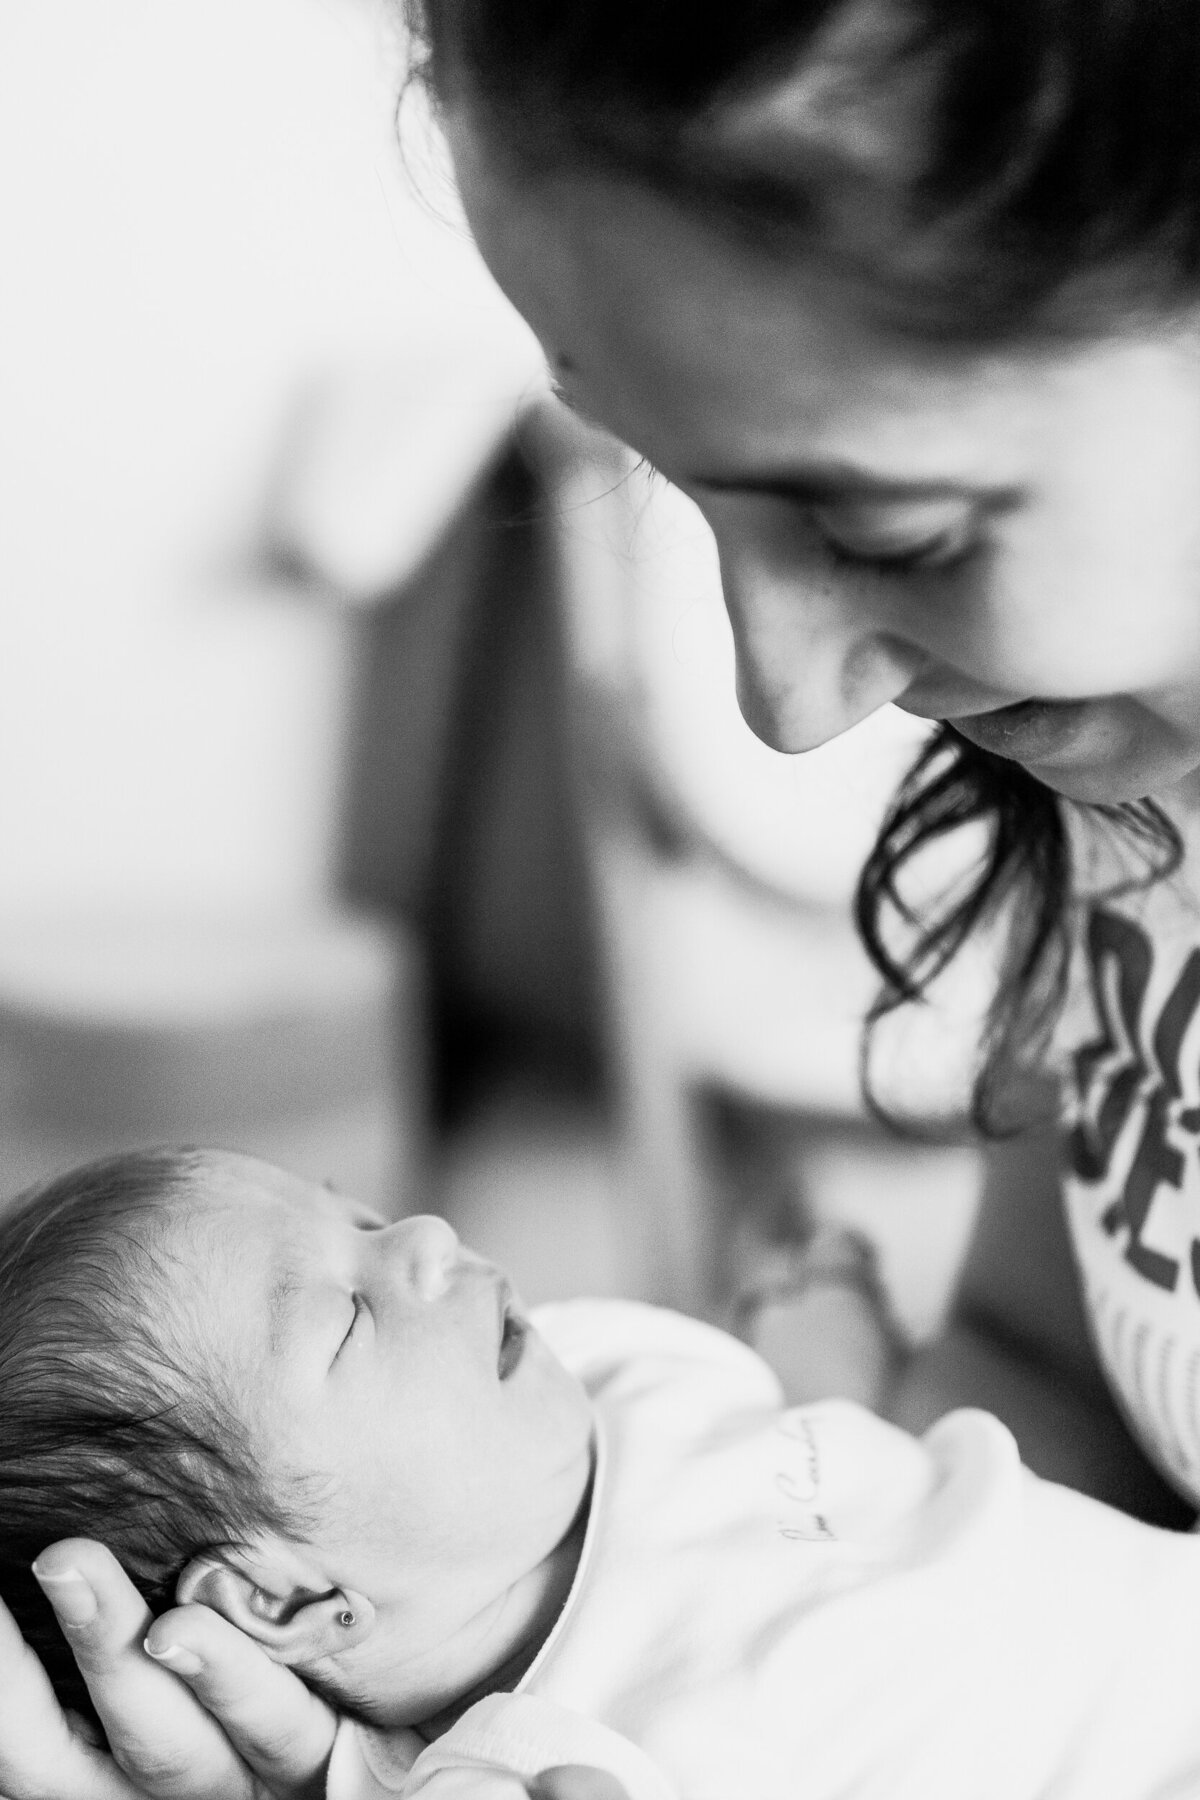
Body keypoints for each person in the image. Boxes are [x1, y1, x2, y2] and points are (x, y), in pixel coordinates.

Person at [8, 1, 1200, 1795]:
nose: (786, 703)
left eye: (896, 527)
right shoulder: (1112, 811)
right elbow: (1052, 1385)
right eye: (678, 485)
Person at [7, 1146, 1200, 1800]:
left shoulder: (606, 1378)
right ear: (280, 1601)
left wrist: (824, 1338)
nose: (422, 1237)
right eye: (347, 1319)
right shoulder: (518, 1752)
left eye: (360, 1213)